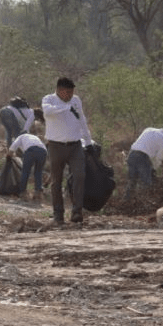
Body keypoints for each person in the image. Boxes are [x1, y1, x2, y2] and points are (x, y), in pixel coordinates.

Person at [41, 77, 94, 224]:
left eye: (72, 92)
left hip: (75, 145)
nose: (70, 95)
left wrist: (88, 142)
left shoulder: (76, 100)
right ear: (59, 90)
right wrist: (65, 108)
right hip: (56, 146)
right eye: (67, 92)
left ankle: (77, 212)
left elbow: (81, 119)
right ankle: (58, 214)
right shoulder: (49, 99)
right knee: (56, 181)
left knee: (80, 176)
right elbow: (47, 112)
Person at [123, 125, 163, 201]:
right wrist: (154, 169)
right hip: (142, 157)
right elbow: (159, 158)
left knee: (132, 181)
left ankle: (127, 201)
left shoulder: (149, 129)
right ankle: (144, 203)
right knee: (146, 183)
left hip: (132, 155)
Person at [7, 132, 47, 201]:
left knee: (25, 172)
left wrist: (8, 156)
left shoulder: (20, 137)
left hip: (31, 151)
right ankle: (38, 193)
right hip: (43, 152)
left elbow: (12, 148)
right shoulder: (34, 137)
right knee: (38, 172)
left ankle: (23, 193)